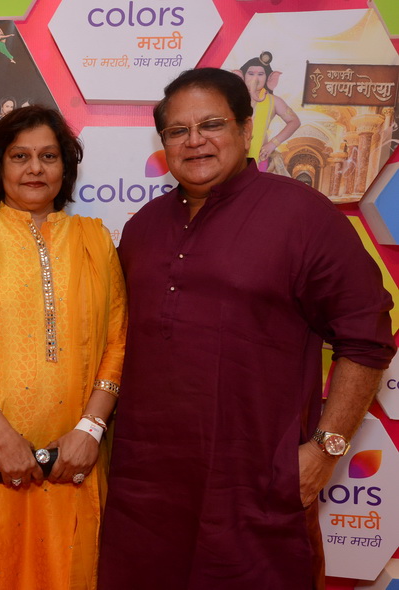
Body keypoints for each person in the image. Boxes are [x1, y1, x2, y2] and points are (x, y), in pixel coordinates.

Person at [98, 67, 396, 589]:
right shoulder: (143, 228)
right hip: (145, 492)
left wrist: (324, 450)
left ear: (245, 127)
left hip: (256, 490)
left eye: (211, 124)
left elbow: (367, 338)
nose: (195, 141)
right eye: (178, 131)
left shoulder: (303, 215)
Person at [0, 105, 127, 589]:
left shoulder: (95, 240)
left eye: (48, 156)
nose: (35, 168)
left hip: (74, 457)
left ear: (65, 167)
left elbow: (117, 343)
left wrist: (90, 430)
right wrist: (4, 438)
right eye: (20, 156)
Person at [235, 52, 299, 171]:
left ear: (269, 78)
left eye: (260, 74)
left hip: (259, 157)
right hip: (232, 155)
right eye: (251, 73)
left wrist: (273, 144)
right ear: (241, 76)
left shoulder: (273, 101)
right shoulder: (231, 98)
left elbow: (294, 122)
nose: (255, 78)